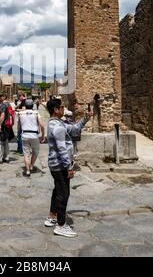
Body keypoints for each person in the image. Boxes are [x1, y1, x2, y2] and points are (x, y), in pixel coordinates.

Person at [44, 98, 93, 238]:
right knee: (63, 194)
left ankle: (52, 216)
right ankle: (61, 225)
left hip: (56, 165)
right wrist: (69, 167)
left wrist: (86, 119)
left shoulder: (59, 123)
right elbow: (62, 149)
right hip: (60, 165)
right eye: (62, 107)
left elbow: (74, 129)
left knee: (57, 190)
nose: (64, 108)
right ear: (56, 110)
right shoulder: (57, 127)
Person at [17, 99, 45, 177]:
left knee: (26, 154)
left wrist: (19, 134)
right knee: (35, 151)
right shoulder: (36, 113)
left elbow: (19, 126)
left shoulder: (20, 113)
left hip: (24, 135)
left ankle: (27, 170)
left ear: (25, 106)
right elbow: (42, 125)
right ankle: (31, 166)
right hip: (34, 135)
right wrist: (42, 135)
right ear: (33, 105)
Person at [0, 92, 14, 164]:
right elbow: (12, 114)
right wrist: (13, 123)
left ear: (4, 97)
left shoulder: (3, 105)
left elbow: (2, 115)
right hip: (8, 126)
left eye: (0, 96)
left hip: (3, 126)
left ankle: (0, 158)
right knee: (6, 141)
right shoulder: (9, 104)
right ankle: (6, 157)